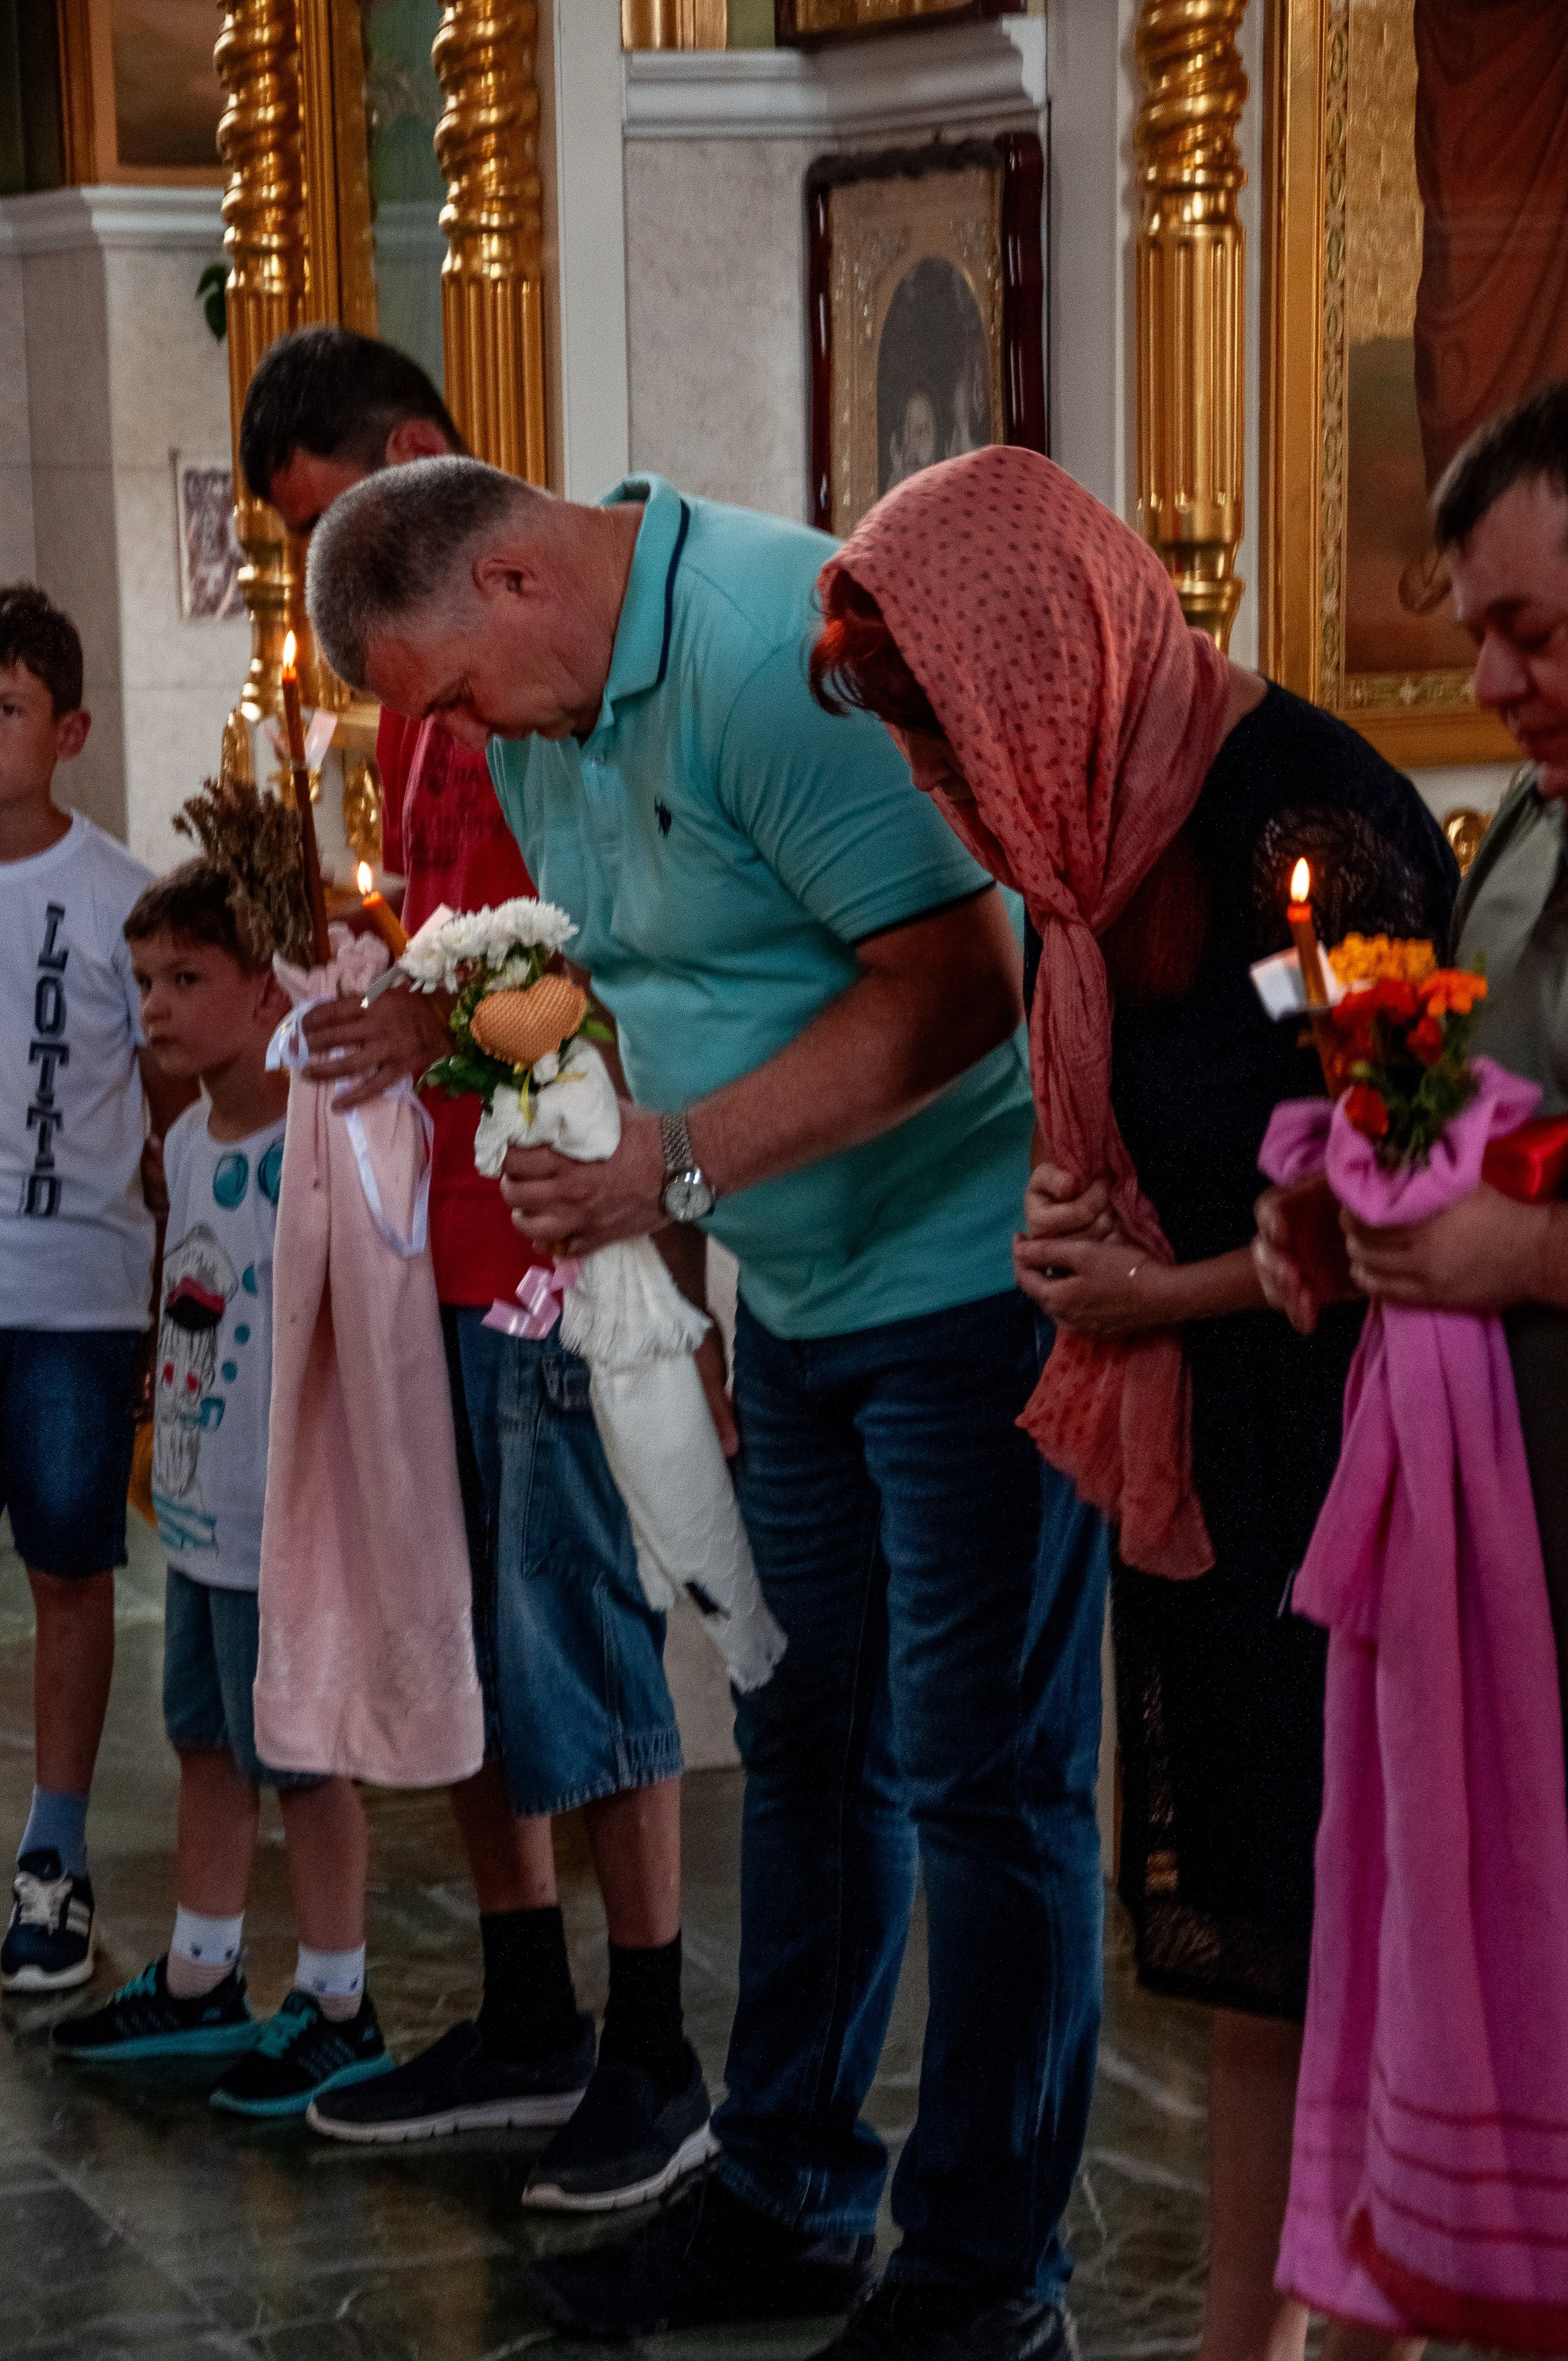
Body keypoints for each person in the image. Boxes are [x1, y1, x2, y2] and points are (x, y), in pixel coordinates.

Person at [304, 450, 1109, 2361]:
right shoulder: (543, 715)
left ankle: (989, 2276)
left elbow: (962, 987)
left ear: (511, 578)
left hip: (975, 1289)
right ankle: (789, 2195)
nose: (448, 745)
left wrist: (674, 1174)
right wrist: (668, 1270)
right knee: (809, 1742)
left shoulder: (771, 646)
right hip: (806, 1299)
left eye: (446, 694)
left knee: (993, 1784)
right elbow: (649, 978)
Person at [809, 445, 1457, 2361]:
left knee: (1362, 1955)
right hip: (1211, 1456)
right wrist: (1072, 1223)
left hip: (1350, 1458)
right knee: (1252, 1961)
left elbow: (1410, 1200)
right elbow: (1136, 1131)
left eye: (951, 738)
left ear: (1049, 652)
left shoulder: (1307, 825)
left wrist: (1145, 1288)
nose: (947, 791)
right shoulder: (1092, 836)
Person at [236, 326, 707, 2212]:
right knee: (466, 1624)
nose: (320, 565)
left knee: (581, 1634)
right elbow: (445, 941)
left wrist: (423, 1023)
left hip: (552, 1222)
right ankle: (528, 2009)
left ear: (419, 452)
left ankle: (658, 2044)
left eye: (334, 510)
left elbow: (615, 958)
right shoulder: (412, 680)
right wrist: (367, 994)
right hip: (427, 1214)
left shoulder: (545, 665)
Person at [1254, 388, 1568, 2360]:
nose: (1485, 676)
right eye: (1477, 627)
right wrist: (1348, 1203)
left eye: (1532, 629)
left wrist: (1524, 1250)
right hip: (1505, 1517)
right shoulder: (1536, 807)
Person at [51, 860, 392, 2117]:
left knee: (302, 1754)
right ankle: (202, 1970)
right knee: (203, 1735)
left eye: (187, 979)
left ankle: (340, 1996)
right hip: (204, 1511)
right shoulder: (187, 1137)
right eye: (144, 981)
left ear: (267, 991)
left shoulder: (318, 1129)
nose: (155, 1006)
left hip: (285, 1517)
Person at [0, 585, 192, 1994]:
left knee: (71, 1570)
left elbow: (176, 1106)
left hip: (76, 1289)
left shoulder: (122, 898)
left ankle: (54, 1854)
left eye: (5, 707)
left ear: (65, 729)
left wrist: (178, 1291)